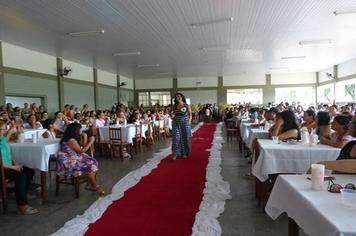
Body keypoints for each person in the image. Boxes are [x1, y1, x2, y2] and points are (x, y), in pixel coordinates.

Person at [0, 119, 38, 214]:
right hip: (3, 169)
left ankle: (22, 193)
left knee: (29, 170)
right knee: (20, 176)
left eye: (5, 128)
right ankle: (22, 206)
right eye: (3, 128)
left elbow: (9, 153)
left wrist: (15, 163)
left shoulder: (2, 139)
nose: (5, 130)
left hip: (9, 166)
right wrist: (13, 167)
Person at [56, 123, 105, 196]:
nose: (81, 130)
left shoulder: (73, 138)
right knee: (89, 166)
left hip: (75, 156)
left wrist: (85, 136)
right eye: (80, 129)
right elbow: (82, 150)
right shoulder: (71, 140)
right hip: (69, 159)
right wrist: (91, 142)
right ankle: (95, 186)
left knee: (92, 163)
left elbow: (83, 146)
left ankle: (91, 184)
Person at [171, 93, 192, 160]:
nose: (178, 98)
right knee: (176, 138)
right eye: (176, 97)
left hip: (184, 124)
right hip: (176, 123)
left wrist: (189, 120)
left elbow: (190, 114)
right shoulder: (174, 106)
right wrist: (172, 116)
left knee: (184, 138)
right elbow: (170, 112)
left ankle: (185, 153)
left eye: (179, 96)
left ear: (182, 97)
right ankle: (175, 154)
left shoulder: (186, 105)